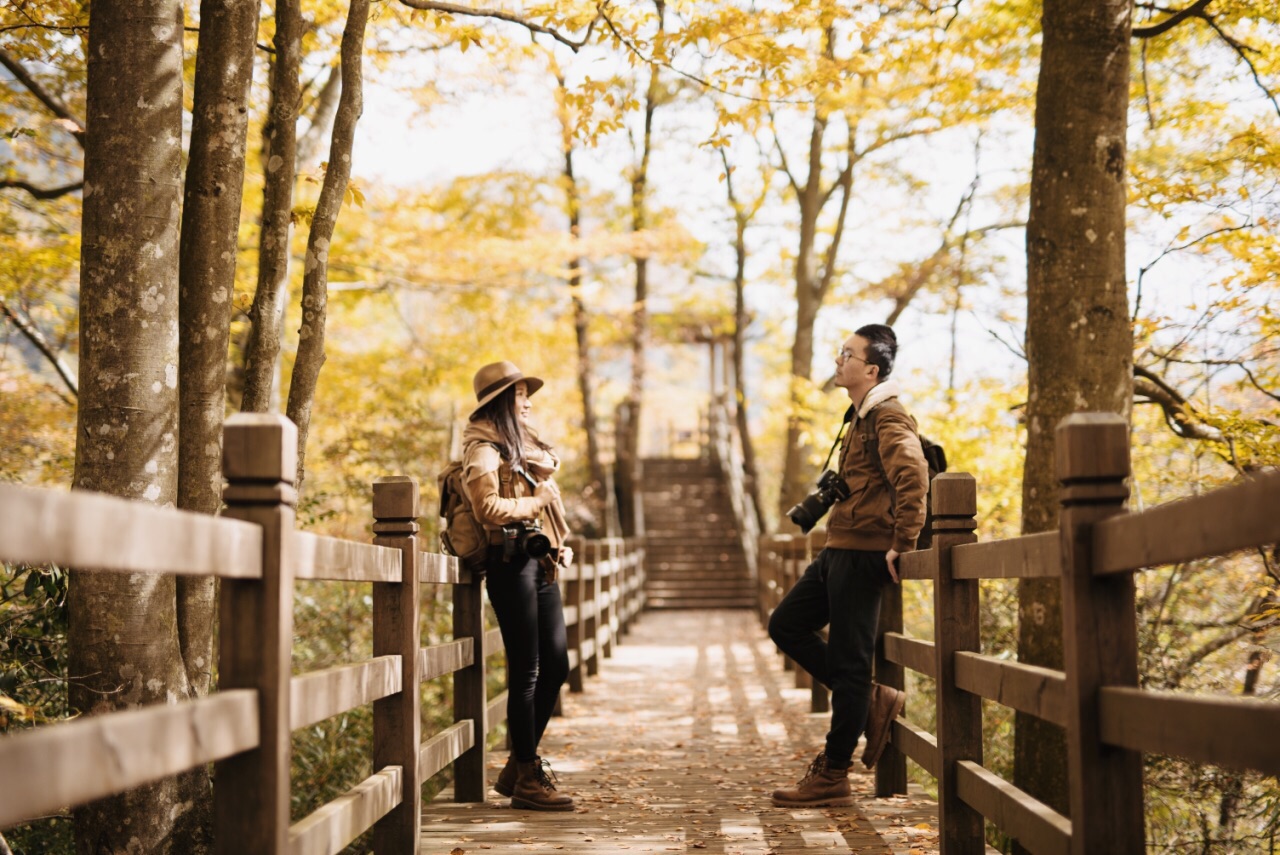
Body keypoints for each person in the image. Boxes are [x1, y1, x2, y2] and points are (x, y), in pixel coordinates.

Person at [768, 323, 928, 807]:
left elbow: (913, 473)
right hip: (839, 546)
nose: (839, 360)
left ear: (872, 369)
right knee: (786, 625)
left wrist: (903, 541)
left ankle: (834, 772)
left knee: (851, 662)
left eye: (848, 355)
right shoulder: (860, 415)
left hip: (864, 553)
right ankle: (868, 698)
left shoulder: (887, 416)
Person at [461, 360, 576, 811]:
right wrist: (536, 503)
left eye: (528, 394)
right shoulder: (483, 448)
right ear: (501, 402)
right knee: (527, 670)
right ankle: (527, 777)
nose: (527, 402)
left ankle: (518, 765)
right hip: (508, 568)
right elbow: (487, 506)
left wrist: (556, 543)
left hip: (538, 564)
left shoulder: (521, 449)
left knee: (558, 665)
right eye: (519, 394)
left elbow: (538, 507)